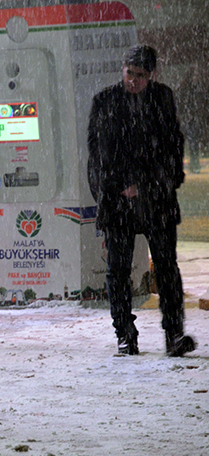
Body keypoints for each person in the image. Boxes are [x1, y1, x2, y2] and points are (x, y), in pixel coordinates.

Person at [87, 45, 196, 357]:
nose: (132, 80)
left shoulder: (162, 99)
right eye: (128, 73)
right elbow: (95, 156)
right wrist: (108, 192)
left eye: (140, 76)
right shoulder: (105, 101)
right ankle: (125, 335)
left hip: (156, 201)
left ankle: (174, 335)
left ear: (152, 75)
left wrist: (148, 185)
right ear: (122, 69)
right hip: (117, 200)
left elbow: (172, 149)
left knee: (166, 268)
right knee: (118, 272)